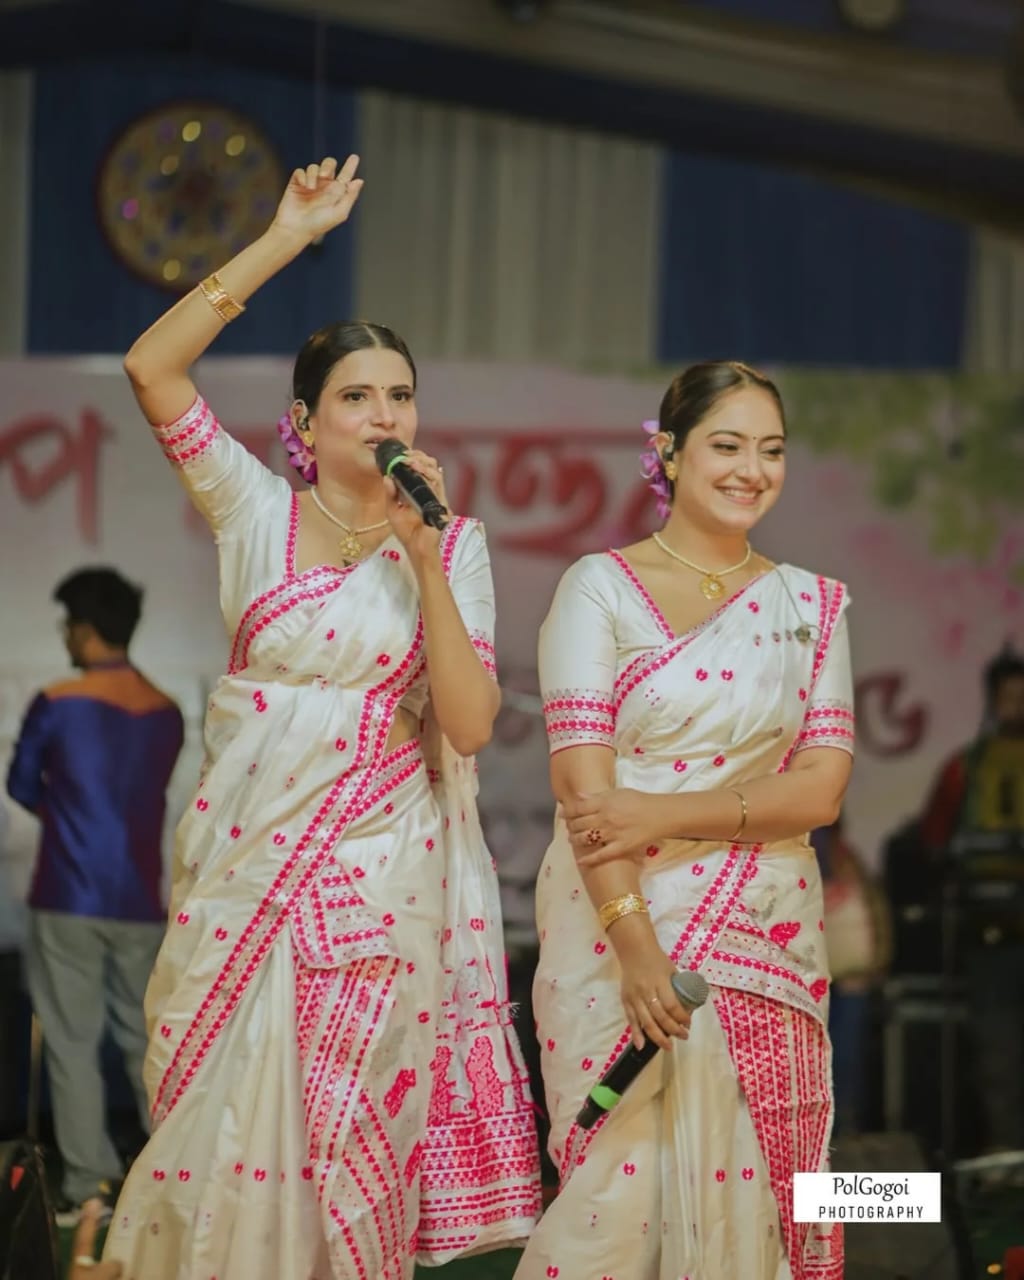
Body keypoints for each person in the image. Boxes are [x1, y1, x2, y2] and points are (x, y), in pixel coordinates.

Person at [101, 154, 541, 1280]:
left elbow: (470, 723)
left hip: (382, 876)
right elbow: (152, 366)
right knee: (219, 1121)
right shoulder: (251, 510)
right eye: (357, 396)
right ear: (304, 420)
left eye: (400, 395)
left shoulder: (453, 545)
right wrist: (286, 239)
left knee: (351, 1132)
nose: (384, 413)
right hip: (248, 864)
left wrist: (425, 560)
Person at [515, 362, 854, 1280]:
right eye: (727, 445)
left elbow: (821, 792)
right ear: (667, 453)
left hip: (764, 934)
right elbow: (586, 793)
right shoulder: (599, 587)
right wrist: (637, 949)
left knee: (773, 1190)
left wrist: (661, 811)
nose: (752, 470)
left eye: (771, 450)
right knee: (608, 1200)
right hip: (617, 931)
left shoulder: (814, 606)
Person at [5, 568, 184, 1225]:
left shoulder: (57, 700)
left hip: (67, 894)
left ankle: (87, 1189)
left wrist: (65, 815)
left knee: (73, 1042)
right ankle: (172, 1177)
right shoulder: (165, 709)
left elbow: (21, 784)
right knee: (147, 1040)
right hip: (140, 898)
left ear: (83, 630)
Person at [919, 645, 1024, 1154]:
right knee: (996, 1053)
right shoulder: (966, 768)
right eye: (1009, 698)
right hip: (990, 931)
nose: (1017, 708)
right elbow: (933, 842)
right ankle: (1005, 1159)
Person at [812, 816, 890, 1136]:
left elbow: (875, 913)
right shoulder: (793, 860)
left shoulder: (849, 861)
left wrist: (878, 961)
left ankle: (844, 1126)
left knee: (845, 1056)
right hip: (809, 985)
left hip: (850, 980)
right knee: (817, 1058)